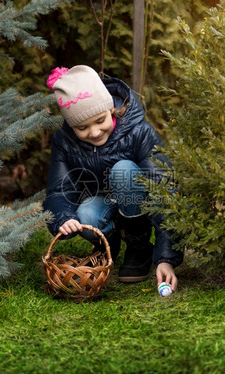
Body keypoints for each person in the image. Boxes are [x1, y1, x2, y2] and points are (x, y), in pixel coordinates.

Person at [42, 65, 183, 291]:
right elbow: (59, 190)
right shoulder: (64, 141)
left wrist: (166, 257)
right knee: (86, 213)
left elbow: (163, 187)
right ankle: (107, 245)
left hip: (137, 201)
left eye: (100, 120)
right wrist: (63, 217)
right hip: (103, 202)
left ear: (111, 108)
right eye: (82, 127)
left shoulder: (139, 132)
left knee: (123, 170)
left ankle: (139, 246)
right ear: (71, 125)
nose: (95, 132)